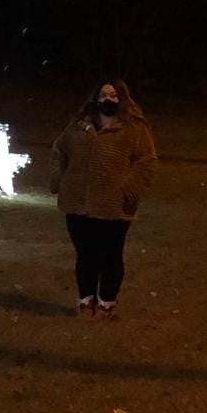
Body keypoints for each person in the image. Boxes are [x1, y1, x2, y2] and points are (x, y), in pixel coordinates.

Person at [50, 79, 157, 319]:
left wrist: (129, 189)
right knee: (85, 254)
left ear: (121, 98)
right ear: (95, 97)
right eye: (103, 94)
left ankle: (107, 303)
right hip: (77, 204)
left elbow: (147, 161)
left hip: (114, 206)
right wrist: (59, 178)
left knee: (110, 254)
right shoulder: (78, 125)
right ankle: (86, 302)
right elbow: (59, 151)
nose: (107, 99)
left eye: (112, 95)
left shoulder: (134, 128)